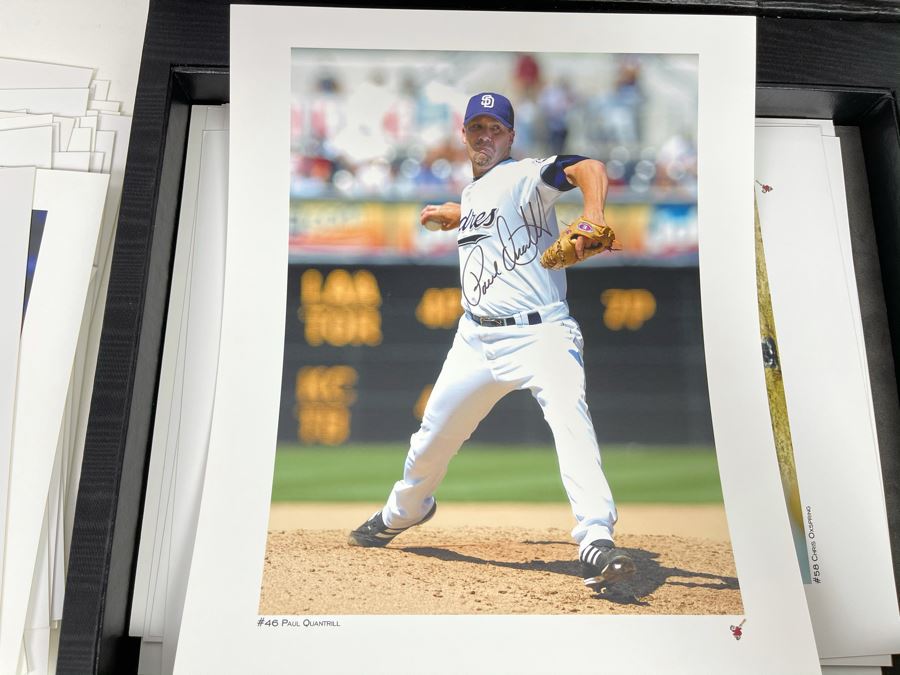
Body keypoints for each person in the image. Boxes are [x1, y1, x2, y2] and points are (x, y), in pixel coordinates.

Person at [348, 92, 635, 592]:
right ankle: (404, 511)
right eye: (476, 127)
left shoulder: (527, 175)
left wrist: (592, 213)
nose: (485, 136)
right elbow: (491, 213)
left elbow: (587, 166)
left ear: (510, 136)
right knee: (430, 440)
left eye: (495, 128)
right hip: (476, 338)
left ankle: (595, 537)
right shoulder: (477, 193)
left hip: (541, 332)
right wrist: (456, 213)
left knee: (570, 420)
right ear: (464, 134)